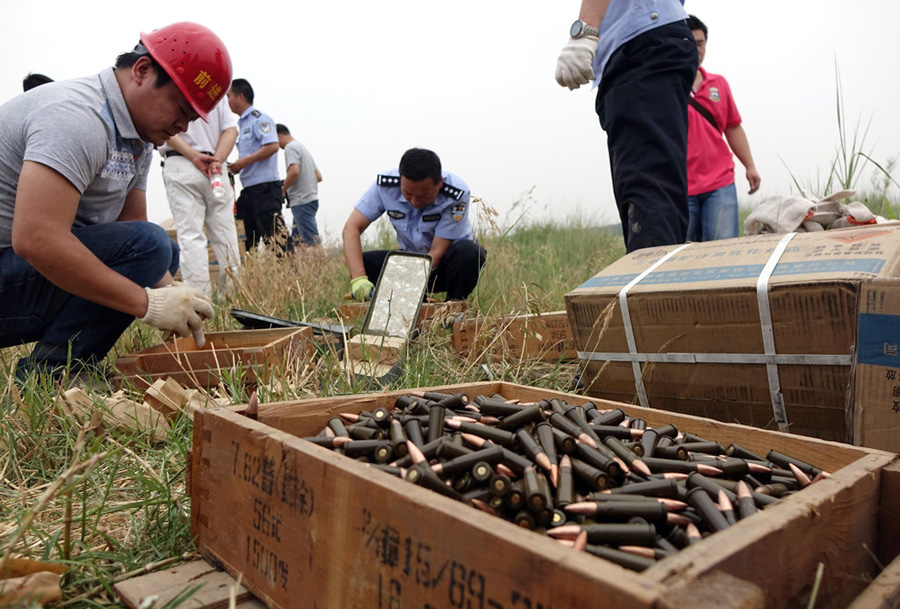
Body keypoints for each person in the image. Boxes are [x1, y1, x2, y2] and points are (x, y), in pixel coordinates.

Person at [0, 22, 231, 381]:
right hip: (10, 265)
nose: (183, 128)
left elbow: (131, 230)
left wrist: (173, 294)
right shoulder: (79, 118)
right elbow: (35, 238)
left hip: (14, 273)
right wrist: (149, 304)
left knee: (161, 252)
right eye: (181, 109)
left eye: (191, 118)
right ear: (142, 70)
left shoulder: (137, 138)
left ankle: (63, 362)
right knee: (152, 246)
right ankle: (52, 371)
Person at [555, 0, 698, 253]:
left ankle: (655, 290)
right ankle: (658, 287)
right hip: (642, 46)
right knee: (649, 190)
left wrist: (584, 31)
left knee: (648, 190)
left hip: (642, 45)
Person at [342, 148, 486, 302]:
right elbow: (351, 228)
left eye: (424, 196)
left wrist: (409, 284)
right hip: (411, 262)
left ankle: (451, 308)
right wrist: (358, 279)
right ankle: (412, 306)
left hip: (445, 266)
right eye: (408, 194)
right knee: (363, 263)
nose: (415, 202)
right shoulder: (385, 186)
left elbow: (437, 251)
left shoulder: (456, 193)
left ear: (439, 183)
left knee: (470, 253)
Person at [685, 14, 761, 242]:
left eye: (700, 43)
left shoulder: (718, 84)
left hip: (720, 183)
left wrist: (750, 166)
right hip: (680, 186)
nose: (696, 49)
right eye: (690, 43)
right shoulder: (666, 85)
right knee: (679, 262)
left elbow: (733, 127)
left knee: (723, 254)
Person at [160, 98, 241, 296]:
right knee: (225, 233)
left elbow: (161, 127)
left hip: (181, 162)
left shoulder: (170, 86)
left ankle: (200, 299)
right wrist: (218, 161)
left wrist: (193, 155)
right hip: (215, 166)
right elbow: (231, 129)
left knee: (190, 235)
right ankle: (233, 296)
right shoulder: (217, 92)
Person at [226, 79, 287, 251]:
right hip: (249, 189)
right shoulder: (240, 124)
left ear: (240, 97)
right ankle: (251, 275)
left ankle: (292, 276)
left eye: (229, 96)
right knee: (246, 239)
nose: (227, 100)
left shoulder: (259, 119)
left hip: (265, 188)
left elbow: (272, 146)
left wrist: (243, 162)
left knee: (276, 239)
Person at [276, 123, 323, 252]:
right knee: (298, 242)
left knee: (313, 241)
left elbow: (294, 171)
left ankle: (320, 270)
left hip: (302, 201)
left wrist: (284, 188)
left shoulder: (290, 148)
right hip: (310, 198)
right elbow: (318, 176)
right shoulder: (302, 148)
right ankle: (305, 270)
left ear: (279, 136)